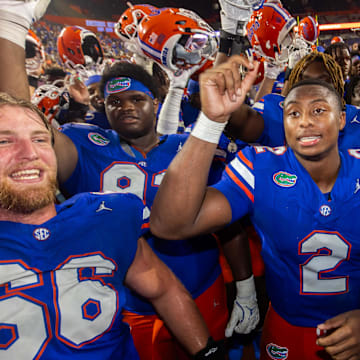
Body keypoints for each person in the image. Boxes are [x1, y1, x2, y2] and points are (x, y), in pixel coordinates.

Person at [0, 2, 259, 359]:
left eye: (137, 99)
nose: (126, 108)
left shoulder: (189, 147)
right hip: (119, 305)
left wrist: (245, 286)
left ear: (156, 101)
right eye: (114, 102)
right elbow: (22, 126)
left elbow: (229, 222)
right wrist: (11, 26)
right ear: (102, 107)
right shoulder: (84, 143)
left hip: (200, 287)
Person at [150, 55, 360, 360]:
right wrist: (211, 122)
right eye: (293, 113)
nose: (305, 121)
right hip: (287, 325)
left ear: (341, 119)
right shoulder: (259, 166)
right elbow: (170, 224)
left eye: (318, 110)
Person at [0, 91, 228, 359]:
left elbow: (165, 289)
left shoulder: (107, 215)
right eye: (4, 141)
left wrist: (207, 352)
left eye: (39, 139)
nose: (29, 153)